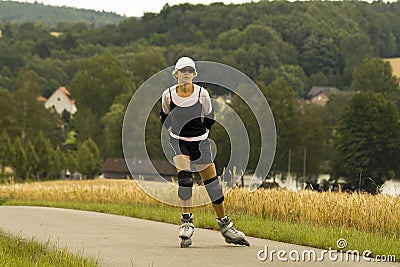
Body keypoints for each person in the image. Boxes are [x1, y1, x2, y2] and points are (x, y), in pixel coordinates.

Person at [160, 56, 249, 248]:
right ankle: (186, 222)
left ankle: (226, 226)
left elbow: (209, 116)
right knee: (185, 179)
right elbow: (165, 117)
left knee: (213, 185)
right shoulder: (168, 94)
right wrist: (175, 133)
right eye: (183, 70)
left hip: (200, 141)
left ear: (194, 74)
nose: (186, 74)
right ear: (176, 74)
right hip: (178, 142)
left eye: (190, 71)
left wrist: (203, 134)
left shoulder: (202, 93)